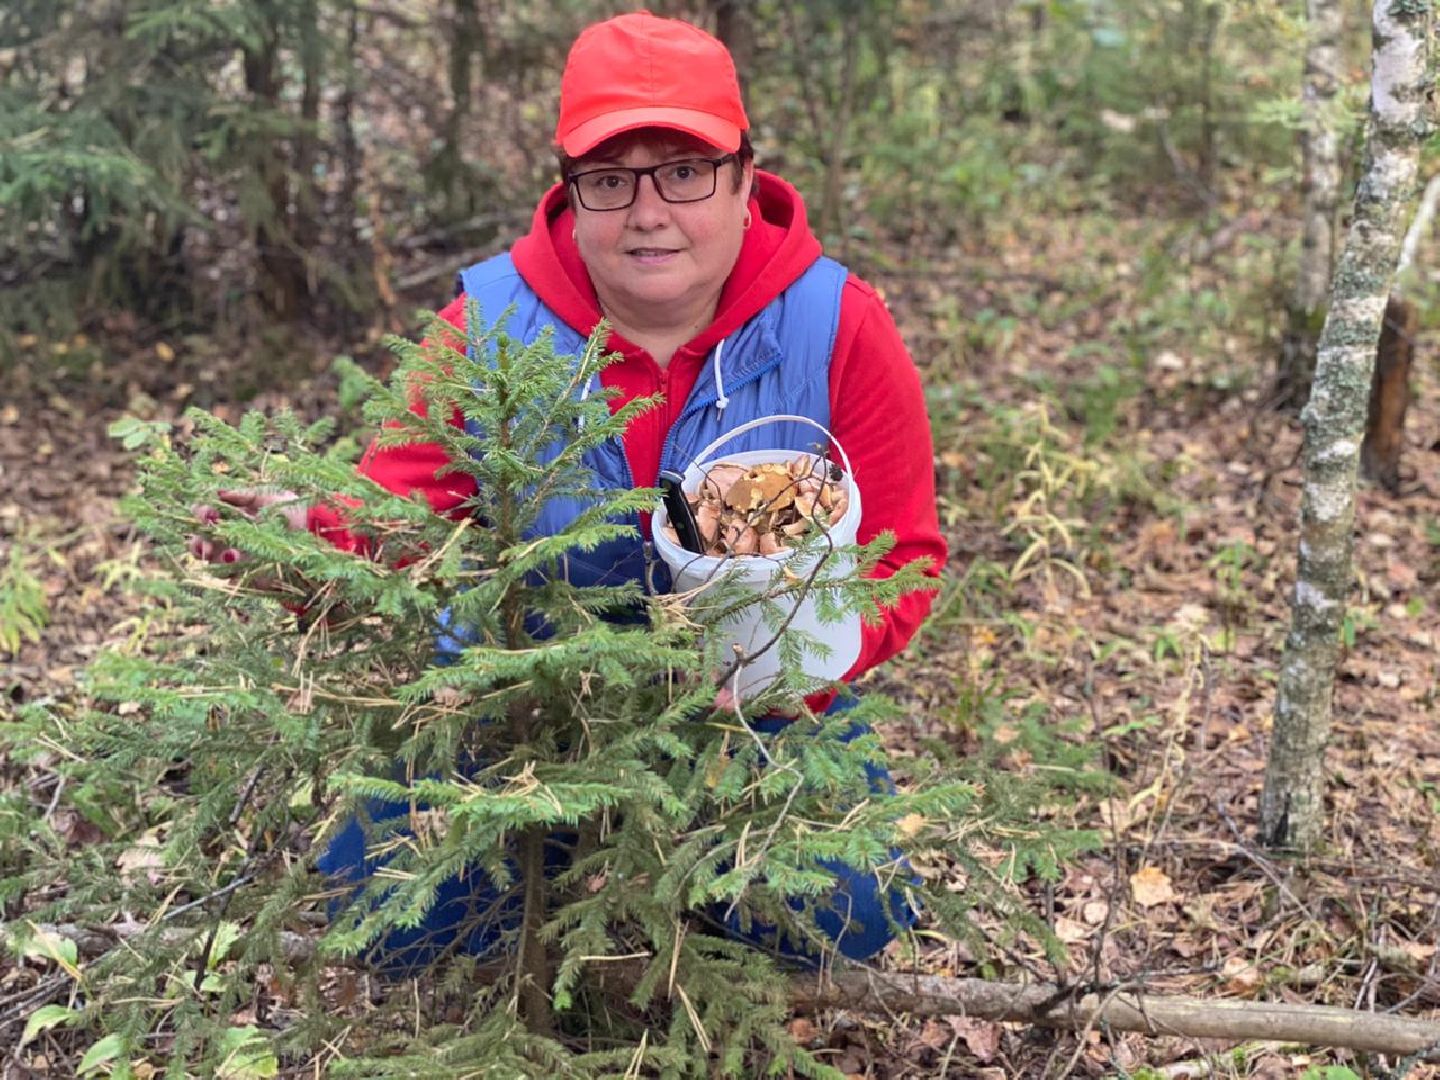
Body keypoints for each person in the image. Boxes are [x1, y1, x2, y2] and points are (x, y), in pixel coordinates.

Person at [201, 11, 945, 968]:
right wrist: (299, 540)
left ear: (745, 179)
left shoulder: (835, 324)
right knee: (390, 914)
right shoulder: (490, 325)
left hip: (758, 720)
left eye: (683, 170)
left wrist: (797, 668)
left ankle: (702, 905)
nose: (648, 211)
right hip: (525, 718)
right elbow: (396, 519)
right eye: (610, 179)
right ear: (571, 194)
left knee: (845, 918)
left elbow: (904, 558)